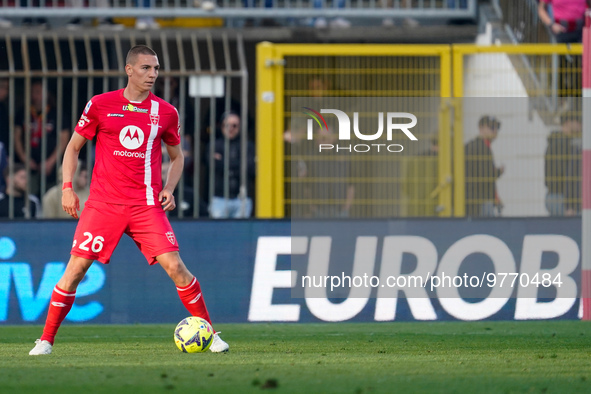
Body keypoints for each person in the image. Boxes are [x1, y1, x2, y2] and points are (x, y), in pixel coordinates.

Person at [28, 45, 228, 356]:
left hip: (145, 204)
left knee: (175, 266)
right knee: (76, 270)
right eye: (147, 68)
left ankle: (211, 334)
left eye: (156, 69)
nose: (153, 75)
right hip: (104, 204)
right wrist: (67, 186)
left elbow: (177, 158)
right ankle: (45, 340)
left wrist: (170, 188)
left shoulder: (166, 112)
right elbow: (73, 148)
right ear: (129, 70)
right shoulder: (100, 105)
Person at [14, 80, 70, 196]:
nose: (35, 95)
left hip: (52, 164)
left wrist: (50, 162)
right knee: (28, 195)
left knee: (51, 195)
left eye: (38, 92)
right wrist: (25, 158)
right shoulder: (23, 112)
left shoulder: (56, 113)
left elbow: (64, 139)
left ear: (46, 93)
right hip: (29, 164)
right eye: (33, 92)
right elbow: (16, 138)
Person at [206, 111, 255, 218]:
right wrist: (239, 163)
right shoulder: (214, 145)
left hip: (242, 199)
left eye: (234, 125)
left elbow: (250, 168)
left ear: (240, 127)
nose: (230, 128)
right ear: (221, 126)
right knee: (218, 232)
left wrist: (223, 161)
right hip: (219, 198)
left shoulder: (248, 145)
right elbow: (212, 166)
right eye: (226, 125)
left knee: (241, 233)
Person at [464, 115, 504, 217]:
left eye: (496, 128)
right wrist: (498, 172)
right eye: (491, 127)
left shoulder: (480, 146)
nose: (495, 131)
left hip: (477, 201)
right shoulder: (480, 148)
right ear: (481, 128)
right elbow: (484, 177)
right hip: (479, 202)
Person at [544, 112, 582, 216]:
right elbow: (566, 174)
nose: (580, 124)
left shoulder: (555, 141)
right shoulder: (565, 144)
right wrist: (570, 204)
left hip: (554, 196)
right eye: (577, 121)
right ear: (568, 122)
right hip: (561, 197)